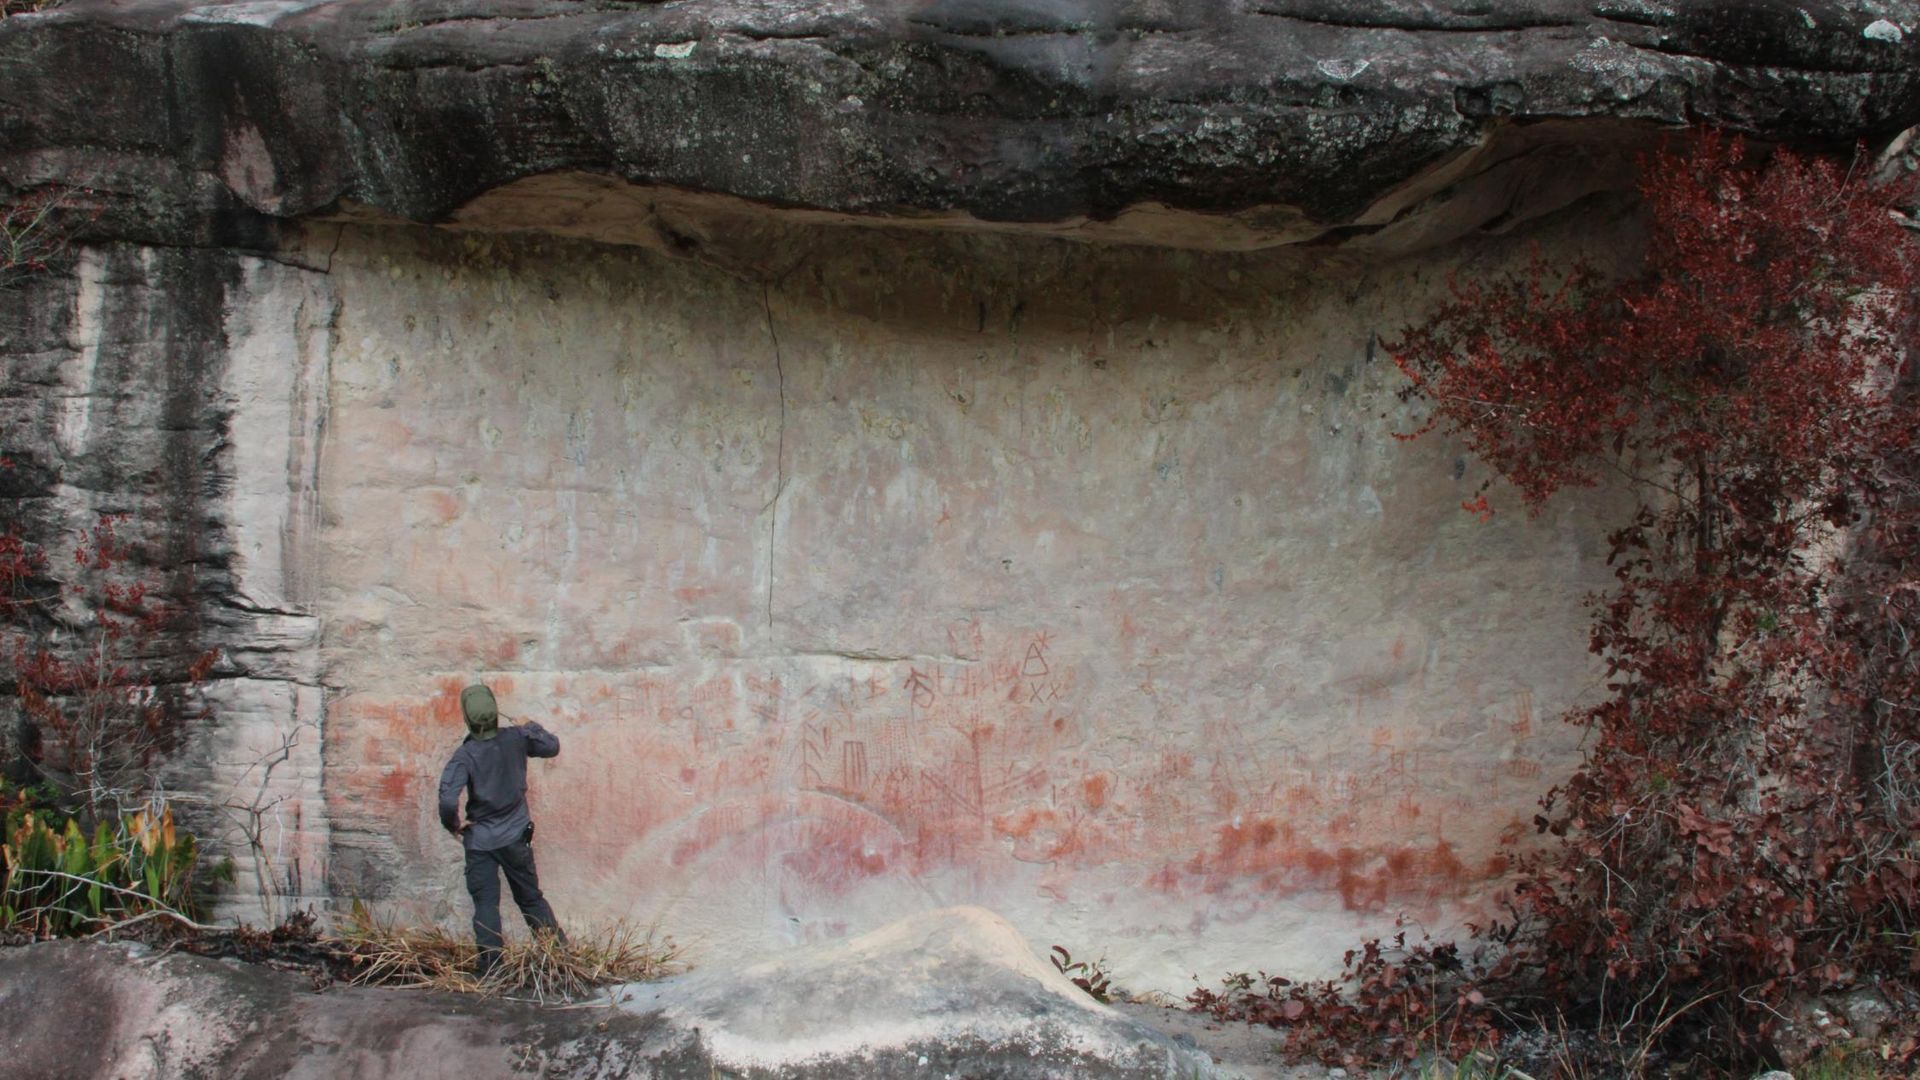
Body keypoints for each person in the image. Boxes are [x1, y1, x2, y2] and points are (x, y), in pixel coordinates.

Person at [437, 683, 564, 976]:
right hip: (516, 837)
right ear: (495, 712)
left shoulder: (465, 755)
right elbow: (552, 746)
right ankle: (558, 957)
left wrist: (454, 825)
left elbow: (447, 800)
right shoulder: (517, 738)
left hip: (480, 842)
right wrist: (530, 726)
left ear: (467, 718)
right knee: (531, 898)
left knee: (485, 904)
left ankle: (491, 970)